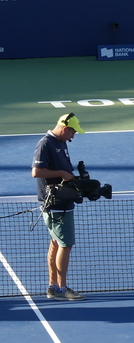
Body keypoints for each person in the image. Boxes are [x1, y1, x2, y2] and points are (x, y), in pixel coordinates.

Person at [32, 113, 86, 301]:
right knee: (65, 244)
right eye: (72, 132)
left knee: (56, 243)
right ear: (65, 129)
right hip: (55, 205)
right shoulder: (46, 144)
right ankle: (62, 289)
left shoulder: (61, 143)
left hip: (62, 203)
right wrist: (63, 173)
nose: (73, 136)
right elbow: (36, 172)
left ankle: (53, 286)